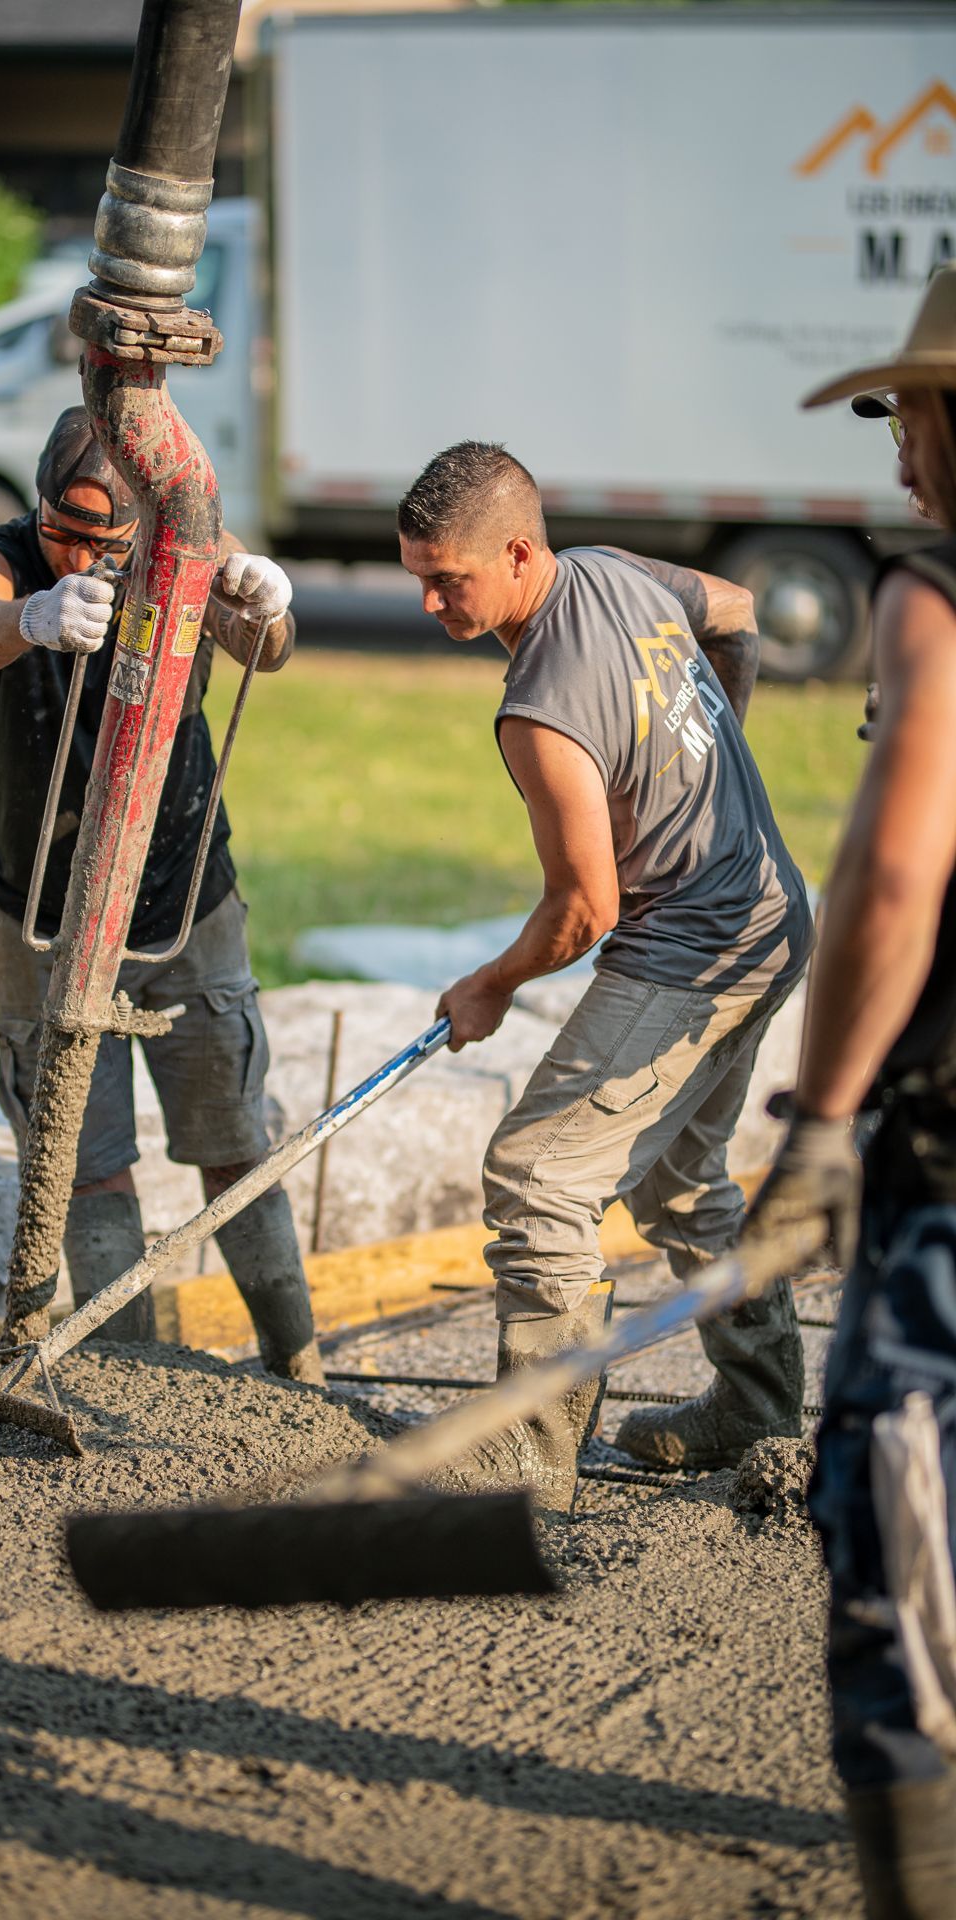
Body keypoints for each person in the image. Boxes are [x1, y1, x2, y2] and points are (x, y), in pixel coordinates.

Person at [396, 442, 814, 1507]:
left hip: (694, 951)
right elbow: (730, 605)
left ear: (517, 551)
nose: (432, 602)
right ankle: (756, 1411)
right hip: (771, 916)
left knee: (538, 1176)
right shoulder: (611, 569)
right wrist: (717, 745)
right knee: (676, 1179)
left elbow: (583, 910)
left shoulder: (537, 708)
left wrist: (486, 984)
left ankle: (531, 1462)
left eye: (450, 579)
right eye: (419, 578)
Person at [0, 407, 324, 1384]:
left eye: (111, 545)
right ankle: (133, 1383)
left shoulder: (180, 542)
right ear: (39, 505)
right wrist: (27, 617)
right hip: (42, 915)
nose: (90, 562)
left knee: (232, 1138)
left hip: (184, 900)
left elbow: (261, 642)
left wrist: (263, 604)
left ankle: (299, 1363)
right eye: (69, 535)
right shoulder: (6, 562)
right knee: (85, 1163)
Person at [746, 265, 956, 1915]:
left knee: (901, 1548)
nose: (899, 452)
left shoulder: (934, 594)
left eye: (914, 411)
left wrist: (821, 1125)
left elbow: (893, 870)